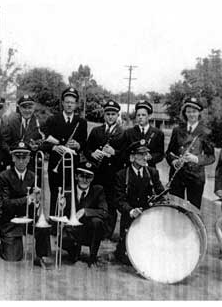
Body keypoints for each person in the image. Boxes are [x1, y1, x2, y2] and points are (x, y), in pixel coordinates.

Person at [0, 141, 51, 267]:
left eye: (24, 157)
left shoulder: (34, 176)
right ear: (13, 158)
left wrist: (37, 200)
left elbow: (34, 203)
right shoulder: (4, 176)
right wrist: (28, 199)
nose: (21, 161)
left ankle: (41, 255)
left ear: (28, 159)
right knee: (13, 257)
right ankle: (4, 245)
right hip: (11, 220)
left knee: (43, 225)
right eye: (18, 157)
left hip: (28, 217)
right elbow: (5, 203)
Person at [113, 140, 164, 264]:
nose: (144, 157)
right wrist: (131, 210)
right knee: (126, 257)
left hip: (149, 216)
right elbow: (119, 200)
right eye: (140, 154)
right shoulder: (121, 175)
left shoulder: (152, 173)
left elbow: (161, 194)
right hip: (130, 217)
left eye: (145, 154)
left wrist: (156, 204)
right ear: (132, 157)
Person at [41, 87, 88, 222]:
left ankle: (69, 222)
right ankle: (54, 223)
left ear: (76, 104)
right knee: (55, 193)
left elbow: (85, 144)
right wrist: (54, 147)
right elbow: (44, 141)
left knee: (71, 192)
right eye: (67, 102)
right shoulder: (53, 120)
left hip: (73, 164)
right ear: (62, 103)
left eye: (72, 102)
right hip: (56, 164)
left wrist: (78, 145)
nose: (69, 105)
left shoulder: (81, 122)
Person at [85, 99, 126, 238]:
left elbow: (126, 155)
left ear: (117, 115)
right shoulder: (96, 131)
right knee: (96, 200)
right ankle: (94, 229)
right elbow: (86, 148)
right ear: (104, 115)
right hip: (98, 173)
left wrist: (115, 153)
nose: (110, 116)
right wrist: (92, 153)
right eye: (108, 113)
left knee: (111, 203)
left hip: (113, 174)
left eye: (113, 114)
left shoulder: (122, 133)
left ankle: (108, 232)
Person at [165, 97, 215, 209]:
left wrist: (196, 159)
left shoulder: (206, 132)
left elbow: (211, 157)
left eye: (194, 111)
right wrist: (174, 162)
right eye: (188, 111)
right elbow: (169, 152)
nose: (191, 114)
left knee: (193, 211)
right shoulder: (177, 130)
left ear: (199, 113)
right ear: (185, 113)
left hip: (196, 177)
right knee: (175, 209)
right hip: (177, 175)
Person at [58, 161, 109, 267]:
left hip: (89, 230)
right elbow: (61, 215)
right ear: (76, 176)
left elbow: (104, 212)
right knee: (63, 239)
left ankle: (93, 257)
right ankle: (74, 253)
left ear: (93, 178)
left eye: (89, 177)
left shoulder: (98, 190)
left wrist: (85, 211)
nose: (85, 180)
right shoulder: (67, 190)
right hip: (73, 229)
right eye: (82, 176)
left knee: (97, 222)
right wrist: (60, 207)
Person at [2, 94, 45, 170]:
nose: (27, 111)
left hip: (31, 163)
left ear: (33, 108)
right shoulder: (12, 122)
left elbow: (44, 141)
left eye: (30, 108)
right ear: (20, 109)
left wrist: (37, 146)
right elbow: (4, 141)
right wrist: (10, 153)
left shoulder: (39, 122)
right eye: (24, 108)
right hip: (15, 162)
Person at [122, 100, 165, 168]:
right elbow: (124, 153)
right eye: (138, 115)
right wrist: (132, 157)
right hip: (132, 170)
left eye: (143, 115)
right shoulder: (128, 132)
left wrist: (151, 157)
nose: (140, 117)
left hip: (149, 169)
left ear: (149, 116)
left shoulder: (158, 133)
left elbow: (160, 154)